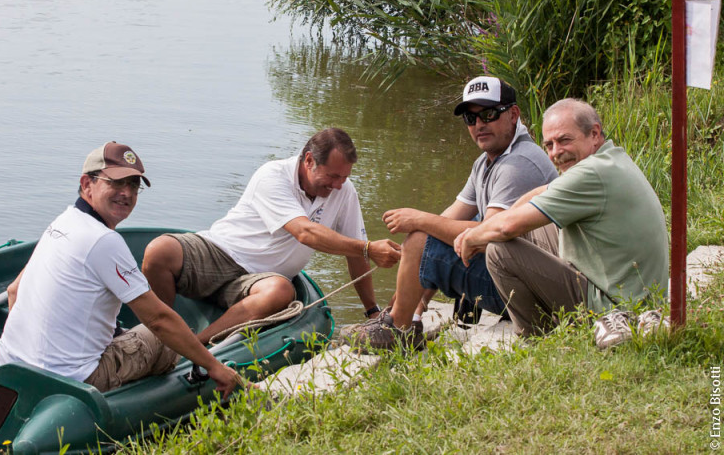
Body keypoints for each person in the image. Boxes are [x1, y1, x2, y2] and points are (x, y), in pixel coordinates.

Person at [0, 142, 240, 395]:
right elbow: (158, 320)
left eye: (133, 185)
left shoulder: (62, 222)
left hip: (11, 368)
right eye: (115, 182)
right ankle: (153, 397)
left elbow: (15, 290)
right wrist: (214, 367)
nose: (126, 193)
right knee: (164, 339)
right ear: (86, 184)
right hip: (72, 381)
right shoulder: (103, 240)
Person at [345, 76, 557, 350]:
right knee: (426, 237)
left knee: (423, 238)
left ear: (513, 114)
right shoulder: (486, 162)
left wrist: (419, 220)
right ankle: (407, 318)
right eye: (471, 118)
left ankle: (399, 330)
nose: (479, 124)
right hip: (515, 275)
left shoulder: (519, 163)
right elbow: (447, 222)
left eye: (489, 114)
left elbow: (488, 233)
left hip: (530, 288)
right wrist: (410, 287)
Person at [141, 128, 402, 345]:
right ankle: (159, 338)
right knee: (159, 250)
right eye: (333, 176)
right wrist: (369, 248)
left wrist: (372, 311)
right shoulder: (273, 175)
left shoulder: (344, 192)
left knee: (280, 291)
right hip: (221, 252)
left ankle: (193, 345)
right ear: (309, 160)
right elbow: (304, 232)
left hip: (259, 281)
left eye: (344, 177)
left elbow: (355, 253)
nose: (337, 185)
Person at [454, 99, 669, 343]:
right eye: (549, 145)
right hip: (634, 289)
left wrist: (473, 236)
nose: (556, 152)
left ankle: (538, 339)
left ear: (594, 134)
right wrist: (489, 226)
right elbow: (542, 192)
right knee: (533, 224)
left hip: (617, 306)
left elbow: (507, 227)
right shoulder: (609, 159)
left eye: (565, 140)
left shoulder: (591, 174)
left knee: (498, 250)